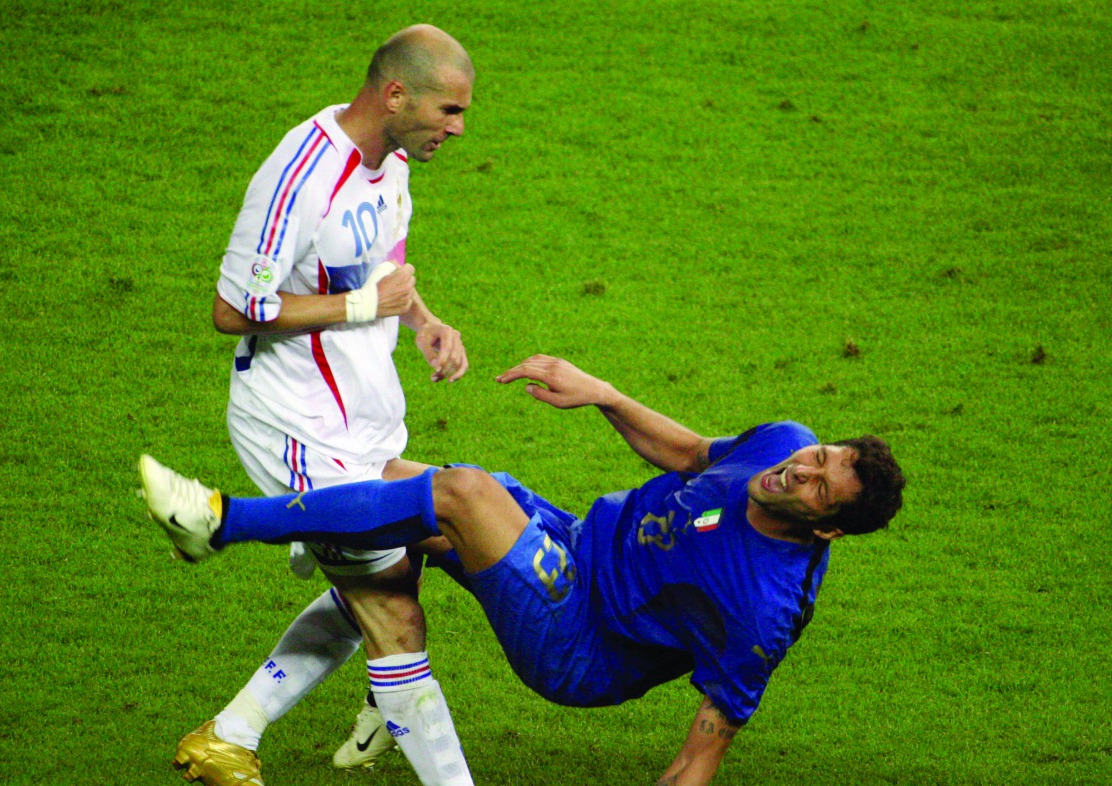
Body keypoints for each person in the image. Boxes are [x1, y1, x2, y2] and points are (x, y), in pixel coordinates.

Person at [140, 354, 907, 785]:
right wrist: (605, 394)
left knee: (458, 492)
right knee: (392, 489)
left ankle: (220, 522)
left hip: (579, 644)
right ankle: (262, 724)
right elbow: (693, 454)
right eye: (820, 455)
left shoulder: (763, 610)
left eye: (817, 485)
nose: (798, 470)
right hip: (572, 543)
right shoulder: (785, 443)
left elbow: (699, 756)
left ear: (829, 528)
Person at [178, 24, 476, 786]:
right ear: (395, 94)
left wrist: (423, 321)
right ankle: (407, 719)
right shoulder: (301, 174)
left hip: (365, 413)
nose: (458, 128)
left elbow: (385, 266)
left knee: (413, 548)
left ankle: (232, 733)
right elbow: (232, 309)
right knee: (393, 610)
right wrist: (358, 307)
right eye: (448, 110)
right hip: (296, 422)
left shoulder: (393, 164)